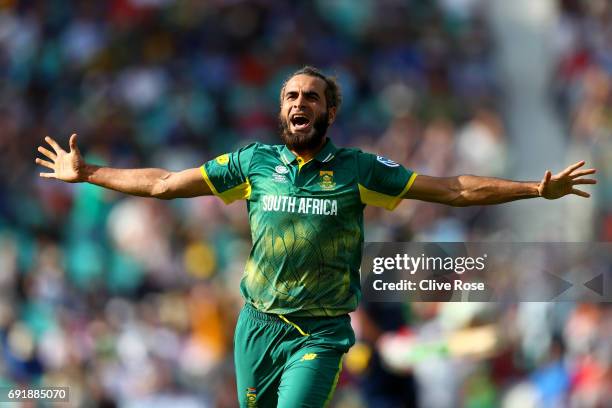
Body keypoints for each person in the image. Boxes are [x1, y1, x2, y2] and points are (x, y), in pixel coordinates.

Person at [35, 66, 596, 407]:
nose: (298, 103)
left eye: (310, 97)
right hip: (256, 327)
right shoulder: (253, 162)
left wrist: (531, 189)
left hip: (320, 332)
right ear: (281, 111)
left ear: (330, 111)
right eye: (290, 97)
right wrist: (88, 174)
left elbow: (451, 189)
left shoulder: (357, 169)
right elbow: (163, 185)